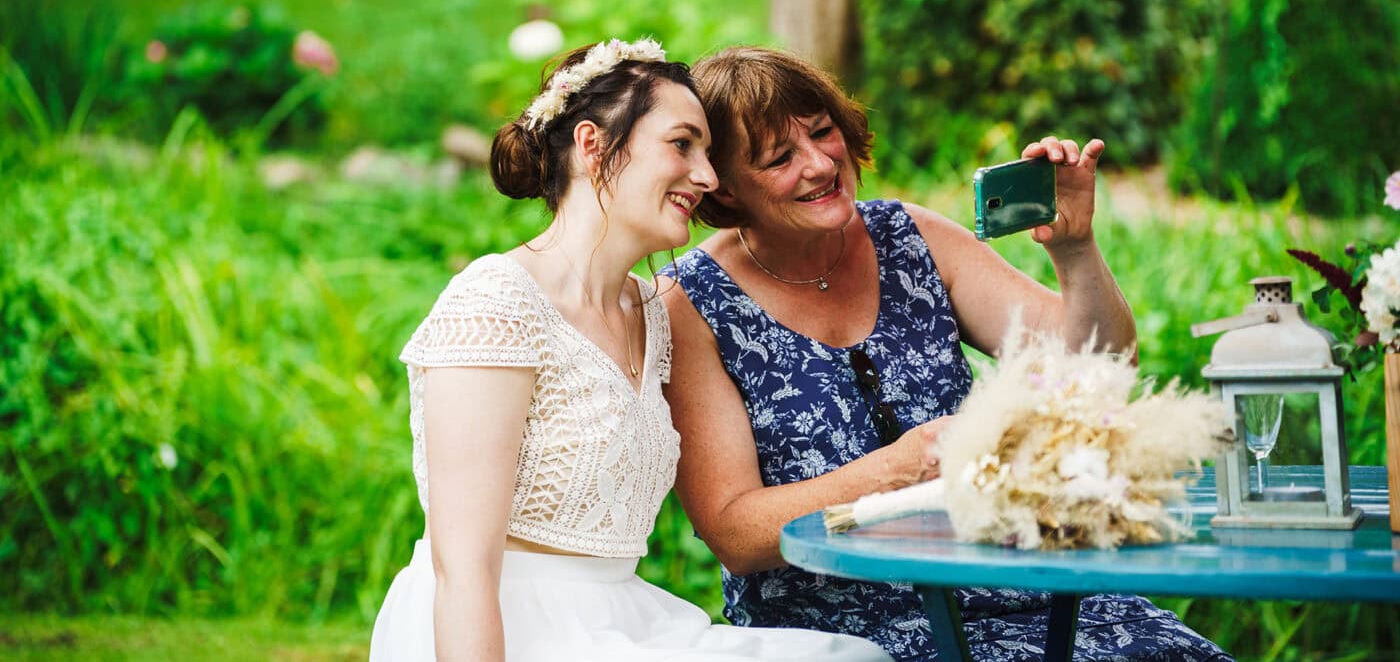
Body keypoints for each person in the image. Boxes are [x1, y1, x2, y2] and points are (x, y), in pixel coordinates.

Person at [660, 46, 1232, 662]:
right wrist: (893, 472)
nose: (822, 163)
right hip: (842, 631)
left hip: (1022, 590)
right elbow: (734, 532)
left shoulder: (908, 238)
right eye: (779, 158)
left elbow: (1098, 367)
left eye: (824, 132)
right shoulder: (691, 304)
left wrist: (1074, 248)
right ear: (724, 189)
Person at [370, 39, 891, 662]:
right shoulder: (496, 303)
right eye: (682, 145)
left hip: (624, 617)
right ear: (592, 146)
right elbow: (463, 572)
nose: (707, 176)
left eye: (706, 151)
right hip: (508, 626)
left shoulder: (653, 310)